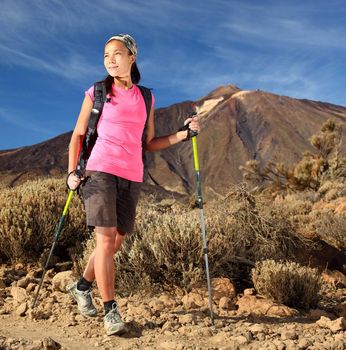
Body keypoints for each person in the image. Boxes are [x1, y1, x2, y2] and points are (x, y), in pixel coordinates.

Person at [66, 34, 200, 336]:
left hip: (132, 175)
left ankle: (81, 286)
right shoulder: (97, 92)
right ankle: (110, 309)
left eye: (117, 53)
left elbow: (149, 143)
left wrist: (182, 135)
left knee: (116, 243)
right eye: (105, 55)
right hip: (99, 172)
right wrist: (72, 171)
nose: (110, 60)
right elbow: (77, 135)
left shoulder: (146, 98)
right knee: (105, 239)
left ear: (132, 57)